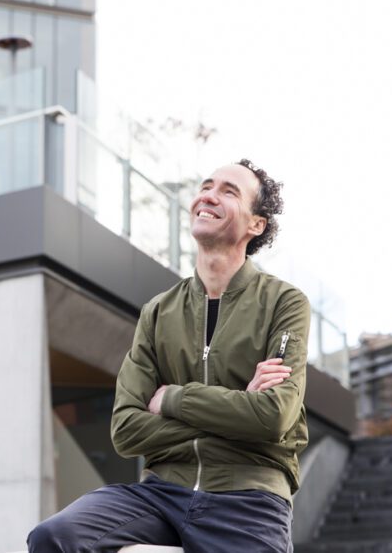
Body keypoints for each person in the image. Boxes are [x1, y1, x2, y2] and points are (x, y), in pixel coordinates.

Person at [28, 159, 310, 553]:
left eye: (229, 191)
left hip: (248, 496)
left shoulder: (284, 302)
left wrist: (173, 399)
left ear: (255, 224)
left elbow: (273, 416)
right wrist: (238, 412)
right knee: (55, 537)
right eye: (206, 186)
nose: (208, 195)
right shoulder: (158, 312)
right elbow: (126, 429)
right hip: (161, 493)